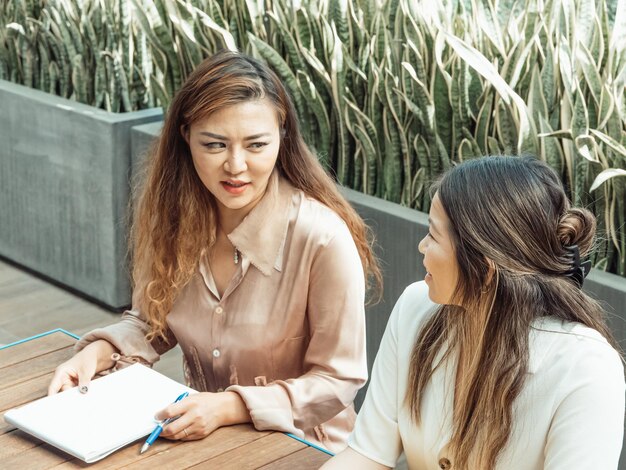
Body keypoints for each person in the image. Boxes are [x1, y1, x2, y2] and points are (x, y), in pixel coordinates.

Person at [48, 50, 381, 453]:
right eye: (215, 144)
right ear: (186, 136)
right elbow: (153, 321)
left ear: (283, 136)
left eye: (256, 145)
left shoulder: (323, 238)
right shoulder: (173, 218)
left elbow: (338, 379)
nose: (236, 166)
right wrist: (99, 353)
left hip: (305, 450)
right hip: (203, 445)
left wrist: (231, 406)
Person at [323, 156, 625, 469]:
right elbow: (367, 454)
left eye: (433, 235)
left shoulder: (586, 370)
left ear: (485, 268)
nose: (422, 246)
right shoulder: (415, 308)